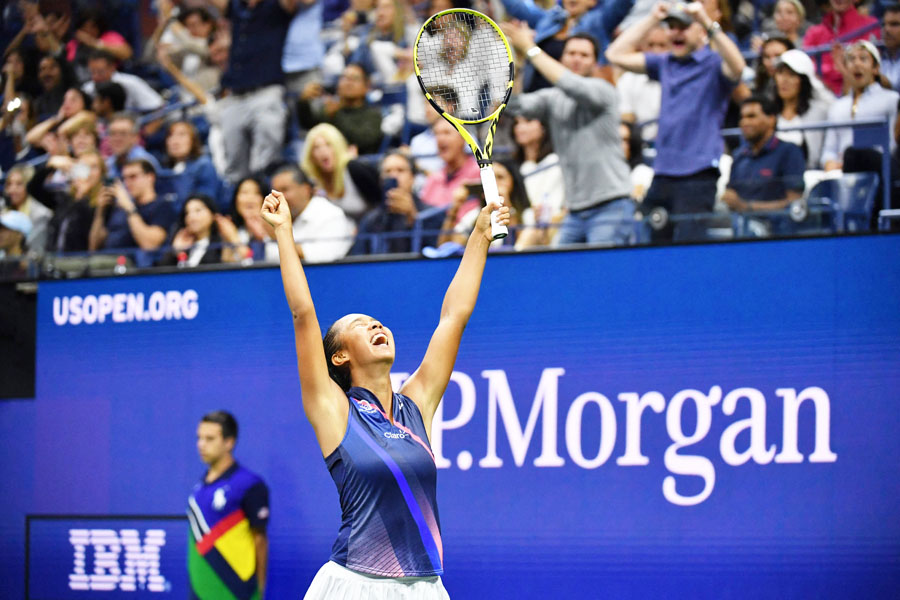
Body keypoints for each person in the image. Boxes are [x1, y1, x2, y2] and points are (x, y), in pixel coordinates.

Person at [259, 175, 510, 597]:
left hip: (425, 588)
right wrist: (284, 231)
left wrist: (479, 237)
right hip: (357, 585)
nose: (376, 324)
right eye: (359, 325)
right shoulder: (334, 410)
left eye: (377, 321)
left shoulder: (416, 405)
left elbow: (453, 317)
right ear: (339, 356)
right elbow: (303, 314)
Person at [606, 1, 746, 242]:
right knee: (653, 249)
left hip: (699, 174)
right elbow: (614, 54)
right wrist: (653, 18)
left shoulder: (713, 64)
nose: (675, 32)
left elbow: (738, 67)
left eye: (683, 27)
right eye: (671, 27)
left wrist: (705, 21)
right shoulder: (665, 63)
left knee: (690, 250)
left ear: (700, 32)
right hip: (662, 173)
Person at [504, 26, 634, 246]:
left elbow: (571, 84)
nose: (576, 59)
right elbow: (515, 105)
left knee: (602, 273)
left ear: (594, 62)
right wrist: (516, 64)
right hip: (573, 211)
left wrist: (531, 49)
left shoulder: (603, 90)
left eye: (584, 55)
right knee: (561, 270)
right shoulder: (553, 98)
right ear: (562, 58)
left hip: (611, 206)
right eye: (571, 53)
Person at [208, 0, 298, 183]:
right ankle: (239, 204)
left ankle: (267, 201)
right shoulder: (236, 6)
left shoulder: (275, 6)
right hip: (235, 95)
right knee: (233, 166)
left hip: (266, 90)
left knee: (265, 162)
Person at [188, 410, 269, 600]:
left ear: (229, 442)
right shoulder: (199, 487)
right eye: (199, 438)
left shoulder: (250, 485)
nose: (201, 444)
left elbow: (260, 540)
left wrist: (260, 591)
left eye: (209, 439)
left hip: (237, 592)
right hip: (200, 591)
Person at [500, 0, 636, 91]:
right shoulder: (548, 19)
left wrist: (527, 46)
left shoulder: (601, 20)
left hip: (577, 97)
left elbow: (624, 2)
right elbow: (516, 6)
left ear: (593, 1)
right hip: (536, 97)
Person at [723, 96, 806, 217]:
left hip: (778, 231)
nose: (744, 122)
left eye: (751, 116)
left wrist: (746, 207)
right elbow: (731, 193)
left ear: (771, 119)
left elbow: (794, 202)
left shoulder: (789, 152)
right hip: (742, 231)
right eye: (742, 117)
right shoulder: (739, 155)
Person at [822, 41, 899, 171]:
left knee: (853, 154)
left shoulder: (892, 99)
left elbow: (893, 144)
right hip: (843, 172)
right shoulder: (837, 106)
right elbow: (829, 149)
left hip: (881, 169)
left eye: (863, 59)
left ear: (875, 68)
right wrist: (829, 162)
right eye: (851, 60)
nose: (857, 64)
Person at [353, 150, 445, 254]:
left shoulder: (431, 214)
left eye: (400, 170)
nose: (393, 176)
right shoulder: (371, 220)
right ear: (381, 180)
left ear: (412, 177)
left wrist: (413, 219)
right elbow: (358, 258)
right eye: (387, 171)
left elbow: (437, 253)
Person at [89, 159, 175, 259]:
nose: (127, 183)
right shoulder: (120, 209)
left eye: (133, 177)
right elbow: (93, 247)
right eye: (124, 178)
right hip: (104, 261)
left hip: (133, 266)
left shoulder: (162, 206)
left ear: (150, 177)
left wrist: (129, 208)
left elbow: (150, 245)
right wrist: (100, 212)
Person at [271, 164, 356, 263]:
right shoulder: (275, 217)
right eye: (275, 192)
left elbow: (324, 257)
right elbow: (272, 258)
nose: (279, 197)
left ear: (306, 190)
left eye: (285, 190)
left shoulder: (331, 214)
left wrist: (279, 235)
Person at [27, 150, 105, 253]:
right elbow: (33, 188)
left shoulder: (103, 202)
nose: (88, 172)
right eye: (83, 167)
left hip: (78, 263)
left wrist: (82, 197)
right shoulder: (63, 199)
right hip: (52, 261)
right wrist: (50, 166)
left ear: (102, 173)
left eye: (94, 167)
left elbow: (92, 238)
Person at [300, 123, 380, 223]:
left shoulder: (355, 169)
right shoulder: (313, 183)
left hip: (371, 232)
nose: (323, 151)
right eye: (316, 148)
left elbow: (381, 205)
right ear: (311, 156)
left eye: (328, 145)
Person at [298, 63, 385, 155]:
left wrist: (336, 116)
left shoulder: (373, 115)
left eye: (354, 79)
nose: (348, 82)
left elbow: (362, 141)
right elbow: (309, 125)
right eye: (344, 78)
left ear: (366, 87)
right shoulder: (331, 109)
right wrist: (304, 102)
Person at [803, 0, 879, 96]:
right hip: (819, 95)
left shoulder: (870, 25)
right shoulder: (814, 32)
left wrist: (841, 68)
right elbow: (804, 68)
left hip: (859, 96)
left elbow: (870, 72)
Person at [773, 49, 834, 168]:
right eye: (780, 73)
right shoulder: (770, 112)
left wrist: (814, 81)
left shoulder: (819, 110)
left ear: (804, 79)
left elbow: (836, 107)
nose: (784, 80)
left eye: (791, 74)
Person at [511, 115, 566, 244]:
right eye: (517, 123)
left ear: (544, 127)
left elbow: (553, 207)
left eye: (528, 121)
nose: (520, 128)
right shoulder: (514, 166)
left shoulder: (555, 163)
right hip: (517, 222)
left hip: (549, 227)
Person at [616, 24, 669, 142]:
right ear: (642, 47)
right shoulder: (628, 78)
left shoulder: (683, 76)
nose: (656, 51)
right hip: (639, 144)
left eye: (662, 45)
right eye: (650, 45)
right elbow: (626, 118)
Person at [160, 194, 244, 267]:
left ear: (213, 215)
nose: (191, 217)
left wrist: (231, 237)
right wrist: (177, 252)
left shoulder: (222, 244)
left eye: (198, 210)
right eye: (187, 213)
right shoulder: (184, 246)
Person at [158, 120, 221, 211]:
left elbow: (205, 204)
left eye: (182, 134)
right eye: (170, 135)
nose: (175, 140)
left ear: (193, 140)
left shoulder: (203, 165)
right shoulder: (164, 170)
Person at [419, 119, 480, 212]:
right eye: (437, 134)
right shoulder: (433, 179)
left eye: (447, 133)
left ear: (463, 139)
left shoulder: (479, 173)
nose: (440, 139)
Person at [82, 51, 164, 113]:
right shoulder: (88, 89)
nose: (95, 76)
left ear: (112, 67)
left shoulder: (132, 82)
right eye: (92, 72)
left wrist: (144, 132)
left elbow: (158, 106)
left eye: (100, 72)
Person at [3, 164, 52, 252]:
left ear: (29, 186)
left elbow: (36, 250)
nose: (12, 189)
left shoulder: (41, 215)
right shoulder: (3, 210)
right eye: (9, 184)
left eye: (19, 184)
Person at [231, 175, 279, 263]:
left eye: (257, 193)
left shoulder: (278, 225)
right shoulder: (234, 232)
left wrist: (262, 238)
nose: (250, 198)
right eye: (244, 193)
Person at [105, 113, 161, 179]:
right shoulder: (109, 163)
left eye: (123, 133)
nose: (117, 139)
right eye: (113, 133)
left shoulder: (146, 162)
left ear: (135, 137)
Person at [880, 5, 900, 90]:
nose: (887, 29)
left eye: (894, 24)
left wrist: (872, 74)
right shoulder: (880, 57)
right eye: (884, 24)